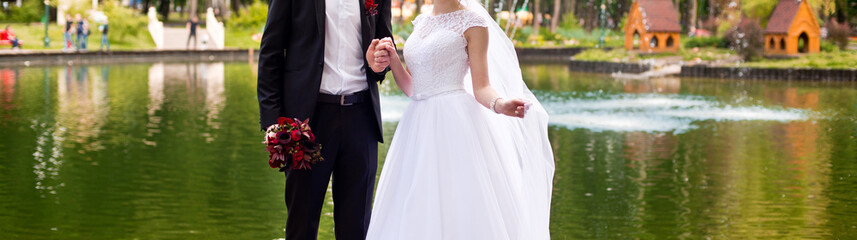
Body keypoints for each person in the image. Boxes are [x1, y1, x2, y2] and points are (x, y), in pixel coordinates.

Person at [365, 0, 555, 238]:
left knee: (458, 202)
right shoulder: (422, 22)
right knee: (415, 202)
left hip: (454, 125)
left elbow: (482, 87)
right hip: (415, 126)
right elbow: (413, 88)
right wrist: (393, 59)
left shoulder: (473, 22)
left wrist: (501, 104)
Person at [256, 0, 392, 238]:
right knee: (301, 225)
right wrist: (272, 123)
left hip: (361, 119)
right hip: (308, 122)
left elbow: (383, 46)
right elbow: (271, 52)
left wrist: (379, 64)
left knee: (357, 228)